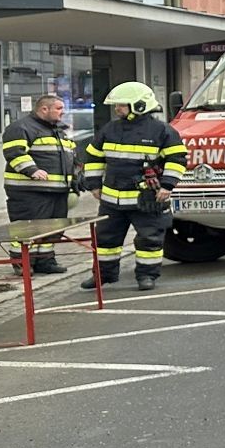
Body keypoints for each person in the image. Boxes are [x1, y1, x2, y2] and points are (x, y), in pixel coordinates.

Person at [79, 83, 187, 292]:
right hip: (112, 201)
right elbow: (93, 156)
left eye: (121, 105)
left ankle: (147, 276)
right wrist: (93, 184)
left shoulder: (162, 131)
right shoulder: (110, 128)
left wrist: (167, 186)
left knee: (149, 240)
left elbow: (177, 159)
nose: (117, 109)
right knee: (105, 240)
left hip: (146, 199)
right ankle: (103, 275)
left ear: (138, 105)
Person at [0, 93, 76, 274]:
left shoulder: (57, 130)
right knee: (27, 228)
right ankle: (22, 262)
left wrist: (76, 176)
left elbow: (69, 155)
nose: (62, 113)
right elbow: (14, 153)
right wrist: (31, 170)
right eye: (58, 109)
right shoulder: (21, 128)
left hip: (56, 191)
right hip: (29, 191)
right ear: (44, 109)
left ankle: (45, 261)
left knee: (52, 228)